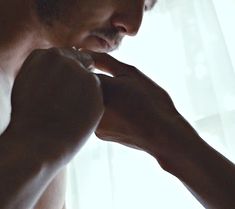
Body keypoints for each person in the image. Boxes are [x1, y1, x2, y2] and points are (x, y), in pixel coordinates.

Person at [0, 0, 234, 209]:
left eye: (145, 6)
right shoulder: (43, 124)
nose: (134, 26)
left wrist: (169, 138)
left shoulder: (45, 106)